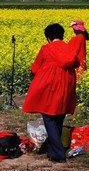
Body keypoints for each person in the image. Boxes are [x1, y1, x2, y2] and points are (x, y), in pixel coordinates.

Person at [22, 23, 79, 162]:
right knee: (59, 117)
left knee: (49, 118)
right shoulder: (70, 49)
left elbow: (35, 69)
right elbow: (76, 63)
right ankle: (52, 151)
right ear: (62, 35)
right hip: (66, 86)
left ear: (48, 37)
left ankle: (58, 154)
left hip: (48, 86)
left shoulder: (46, 48)